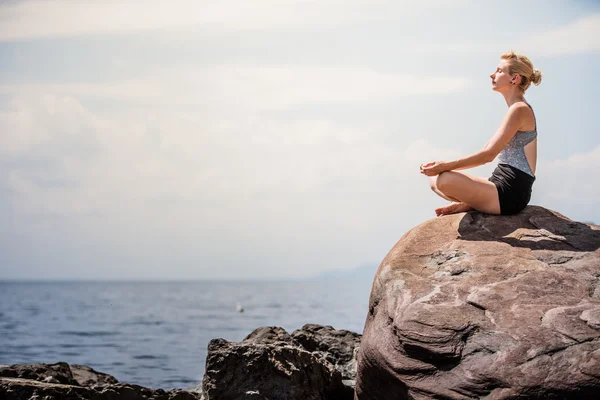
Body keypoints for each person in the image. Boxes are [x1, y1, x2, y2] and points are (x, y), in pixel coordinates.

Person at [420, 50, 542, 217]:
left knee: (443, 179)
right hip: (497, 183)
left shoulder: (519, 109)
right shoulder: (515, 109)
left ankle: (472, 203)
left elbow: (488, 155)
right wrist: (441, 168)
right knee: (434, 180)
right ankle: (472, 203)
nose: (492, 75)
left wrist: (445, 166)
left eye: (499, 71)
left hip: (510, 194)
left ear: (515, 78)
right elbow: (487, 149)